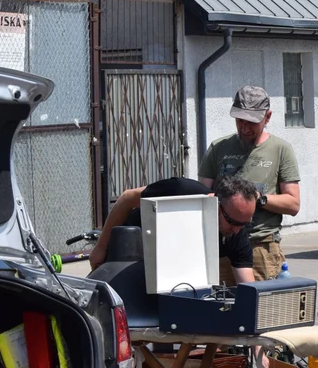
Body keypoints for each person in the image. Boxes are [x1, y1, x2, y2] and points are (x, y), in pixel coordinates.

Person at [199, 85, 300, 283]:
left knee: (260, 310)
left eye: (251, 123)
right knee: (220, 308)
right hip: (223, 247)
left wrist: (257, 198)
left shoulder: (281, 150)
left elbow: (293, 204)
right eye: (240, 121)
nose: (244, 129)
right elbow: (203, 198)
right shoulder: (218, 148)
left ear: (267, 117)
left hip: (261, 248)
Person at [88, 175, 258, 285]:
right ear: (216, 205)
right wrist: (101, 248)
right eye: (232, 222)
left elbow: (247, 285)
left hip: (170, 268)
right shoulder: (180, 191)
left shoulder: (236, 232)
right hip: (133, 250)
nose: (237, 230)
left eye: (244, 224)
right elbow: (127, 198)